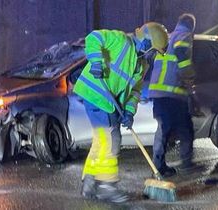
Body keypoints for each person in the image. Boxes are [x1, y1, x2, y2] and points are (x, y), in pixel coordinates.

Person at [73, 22, 169, 203]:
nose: (153, 56)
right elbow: (94, 38)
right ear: (146, 43)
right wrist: (96, 61)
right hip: (95, 95)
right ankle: (106, 187)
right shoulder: (121, 41)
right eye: (154, 51)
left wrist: (129, 112)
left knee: (102, 141)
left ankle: (90, 183)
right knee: (111, 139)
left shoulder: (141, 65)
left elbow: (134, 92)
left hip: (109, 102)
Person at [148, 13, 196, 178]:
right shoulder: (185, 36)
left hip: (159, 93)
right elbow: (183, 58)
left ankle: (158, 165)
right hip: (174, 92)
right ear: (191, 26)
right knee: (185, 129)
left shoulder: (167, 37)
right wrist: (189, 79)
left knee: (163, 129)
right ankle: (187, 162)